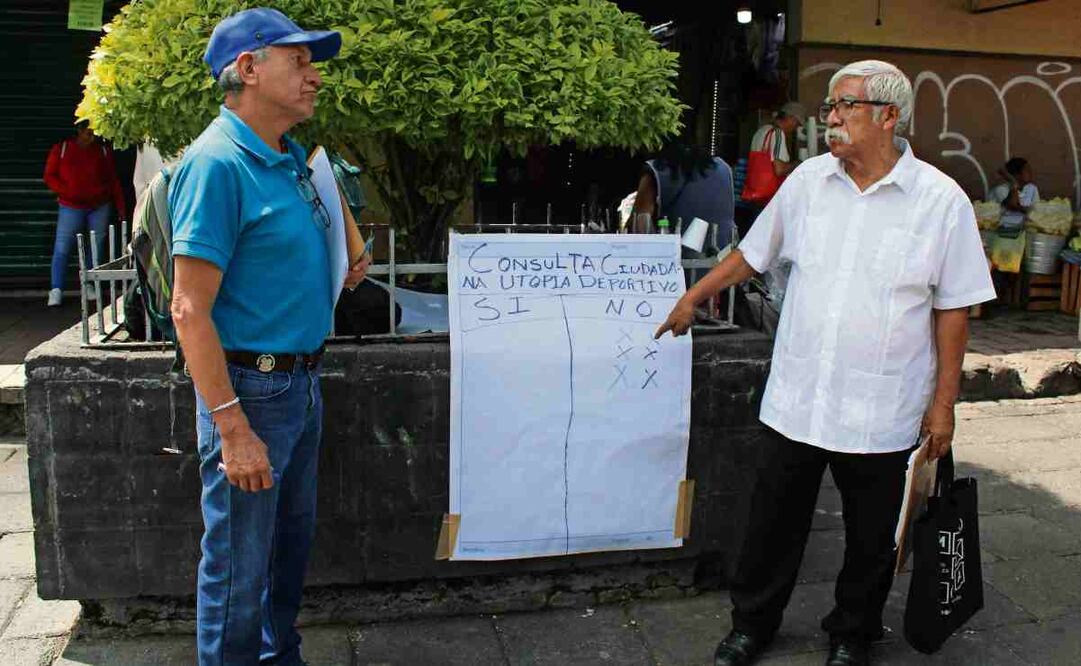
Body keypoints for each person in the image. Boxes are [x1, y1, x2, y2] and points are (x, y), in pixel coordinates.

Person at [656, 60, 994, 666]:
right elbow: (753, 255)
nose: (831, 120)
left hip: (884, 406)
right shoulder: (810, 181)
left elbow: (954, 310)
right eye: (829, 109)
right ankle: (751, 625)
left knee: (871, 539)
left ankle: (853, 632)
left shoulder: (940, 202)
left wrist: (944, 406)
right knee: (770, 529)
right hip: (799, 398)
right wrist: (693, 295)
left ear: (889, 117)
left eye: (845, 107)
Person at [167, 8, 369, 665]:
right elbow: (189, 309)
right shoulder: (217, 164)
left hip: (300, 382)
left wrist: (343, 251)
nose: (314, 77)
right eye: (299, 60)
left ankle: (278, 657)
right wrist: (231, 428)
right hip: (250, 391)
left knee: (287, 549)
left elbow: (304, 255)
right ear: (248, 69)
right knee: (238, 566)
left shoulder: (285, 159)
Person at [43, 120, 128, 306]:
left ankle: (89, 285)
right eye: (88, 133)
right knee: (62, 247)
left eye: (94, 134)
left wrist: (120, 207)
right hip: (70, 206)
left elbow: (113, 180)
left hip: (99, 206)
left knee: (95, 248)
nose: (91, 137)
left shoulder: (102, 151)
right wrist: (67, 192)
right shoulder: (63, 148)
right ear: (79, 131)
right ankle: (56, 289)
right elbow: (49, 175)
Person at [631, 143, 736, 250]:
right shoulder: (723, 168)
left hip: (677, 258)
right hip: (724, 256)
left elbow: (641, 223)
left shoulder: (657, 169)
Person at [749, 101, 806, 184]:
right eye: (797, 124)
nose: (795, 128)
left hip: (756, 187)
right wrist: (798, 164)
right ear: (791, 119)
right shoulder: (778, 133)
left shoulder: (761, 131)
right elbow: (779, 170)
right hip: (770, 192)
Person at [990, 157, 1038, 231]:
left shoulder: (1032, 189)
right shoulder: (1001, 190)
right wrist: (1013, 183)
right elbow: (1013, 205)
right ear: (1017, 175)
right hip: (1002, 230)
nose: (1031, 172)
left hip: (1024, 230)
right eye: (1027, 170)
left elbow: (1035, 211)